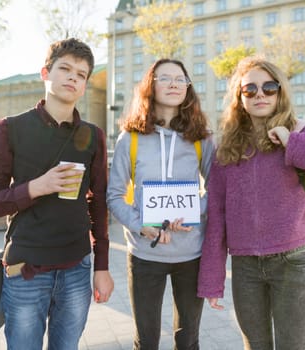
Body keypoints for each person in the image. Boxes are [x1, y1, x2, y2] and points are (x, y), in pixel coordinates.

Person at [197, 56, 305, 350]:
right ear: (239, 98)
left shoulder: (303, 132)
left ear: (280, 92)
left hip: (293, 262)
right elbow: (216, 214)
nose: (260, 95)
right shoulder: (227, 148)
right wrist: (212, 279)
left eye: (269, 87)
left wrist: (294, 143)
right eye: (249, 89)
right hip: (245, 268)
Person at [0, 38, 114, 350]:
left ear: (84, 85)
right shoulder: (10, 128)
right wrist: (36, 187)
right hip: (26, 269)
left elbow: (99, 203)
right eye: (65, 69)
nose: (73, 77)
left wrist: (102, 267)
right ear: (46, 73)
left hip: (77, 269)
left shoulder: (93, 136)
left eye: (81, 74)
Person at [107, 58, 214, 350]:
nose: (173, 84)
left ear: (188, 88)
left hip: (191, 254)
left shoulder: (201, 139)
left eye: (180, 79)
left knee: (188, 341)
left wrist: (193, 214)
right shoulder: (129, 139)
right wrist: (142, 226)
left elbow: (216, 189)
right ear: (150, 87)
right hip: (145, 255)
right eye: (165, 78)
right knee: (146, 342)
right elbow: (114, 195)